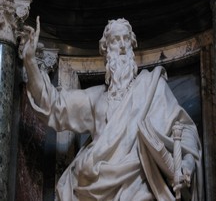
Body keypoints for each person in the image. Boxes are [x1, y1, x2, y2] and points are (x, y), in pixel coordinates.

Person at [20, 16, 203, 201]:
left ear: (132, 46)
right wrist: (30, 61)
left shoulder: (153, 88)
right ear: (106, 51)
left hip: (142, 184)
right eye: (116, 40)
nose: (122, 46)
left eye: (126, 39)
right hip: (95, 181)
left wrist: (186, 163)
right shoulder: (96, 98)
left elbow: (184, 129)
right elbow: (53, 104)